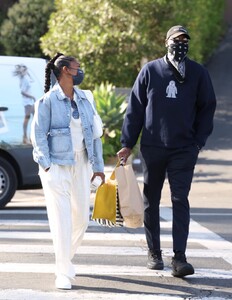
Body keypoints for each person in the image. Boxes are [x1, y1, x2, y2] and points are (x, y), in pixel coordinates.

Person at [117, 25, 216, 277]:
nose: (181, 43)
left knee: (180, 200)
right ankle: (154, 253)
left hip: (184, 149)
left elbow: (207, 108)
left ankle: (180, 258)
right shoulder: (150, 71)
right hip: (153, 148)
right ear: (166, 42)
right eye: (176, 39)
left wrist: (198, 142)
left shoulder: (198, 73)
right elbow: (135, 109)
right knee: (152, 200)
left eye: (185, 40)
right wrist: (127, 143)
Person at [30, 53, 105, 289]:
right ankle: (63, 272)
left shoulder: (85, 98)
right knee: (61, 220)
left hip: (81, 163)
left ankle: (63, 260)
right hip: (57, 166)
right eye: (77, 67)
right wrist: (47, 165)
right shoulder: (48, 101)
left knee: (81, 219)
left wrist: (98, 167)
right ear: (64, 70)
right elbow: (38, 134)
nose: (80, 71)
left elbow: (95, 135)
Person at [13, 64, 36, 144]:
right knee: (28, 118)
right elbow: (22, 92)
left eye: (24, 70)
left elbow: (31, 81)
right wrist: (32, 97)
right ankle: (25, 137)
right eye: (22, 70)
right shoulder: (24, 79)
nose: (23, 71)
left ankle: (30, 137)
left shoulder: (25, 78)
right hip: (28, 102)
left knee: (34, 118)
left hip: (29, 102)